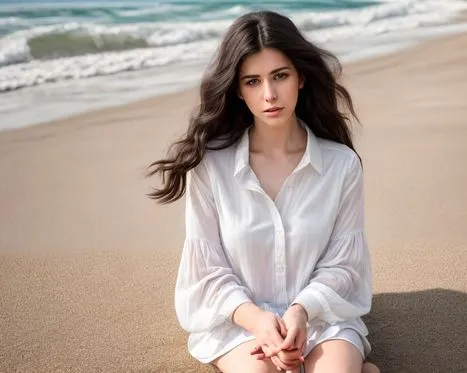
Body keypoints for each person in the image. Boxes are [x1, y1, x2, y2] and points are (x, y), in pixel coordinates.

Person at [148, 10, 380, 373]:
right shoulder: (211, 167)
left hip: (320, 317)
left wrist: (301, 311)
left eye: (280, 76)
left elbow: (343, 264)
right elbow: (207, 269)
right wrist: (257, 320)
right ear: (238, 90)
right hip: (240, 323)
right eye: (253, 81)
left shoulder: (341, 166)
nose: (269, 94)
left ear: (301, 78)